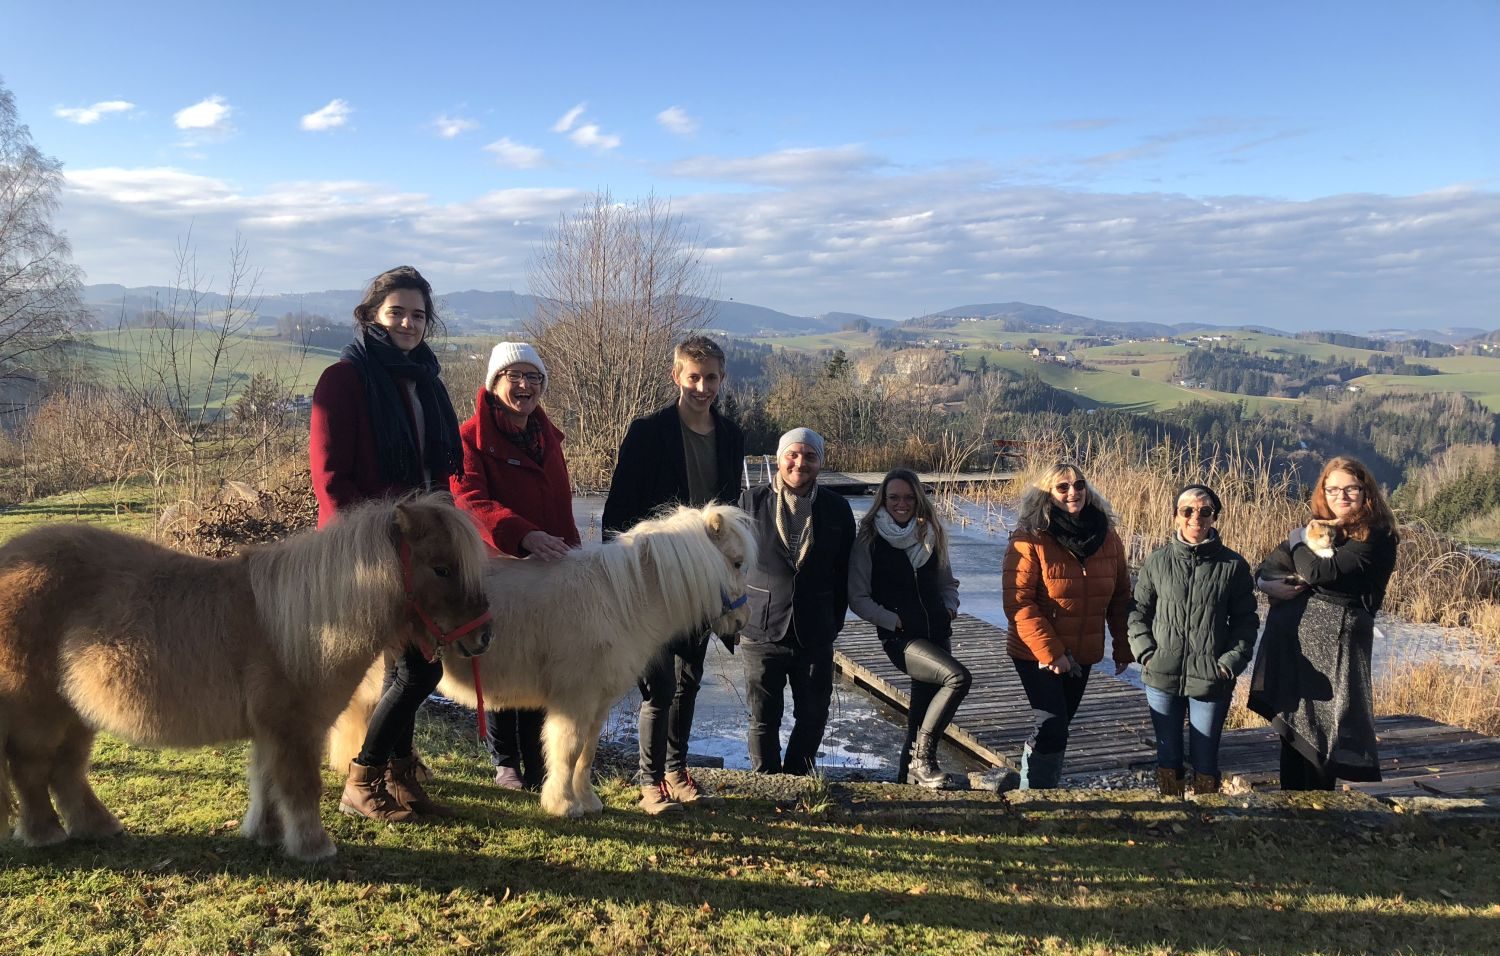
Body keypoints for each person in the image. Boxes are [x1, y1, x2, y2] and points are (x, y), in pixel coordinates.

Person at [309, 265, 463, 822]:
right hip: (369, 553)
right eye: (396, 311)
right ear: (372, 314)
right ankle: (362, 779)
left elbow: (435, 470)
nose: (408, 322)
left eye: (418, 314)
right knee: (419, 671)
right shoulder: (344, 380)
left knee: (414, 665)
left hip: (418, 549)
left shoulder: (425, 379)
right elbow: (330, 481)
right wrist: (378, 542)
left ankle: (399, 775)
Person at [602, 335, 745, 814]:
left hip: (703, 582)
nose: (702, 387)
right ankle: (649, 782)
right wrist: (621, 578)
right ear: (676, 376)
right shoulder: (647, 433)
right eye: (694, 377)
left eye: (711, 378)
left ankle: (676, 768)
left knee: (689, 678)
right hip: (652, 579)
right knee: (657, 684)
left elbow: (729, 515)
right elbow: (616, 513)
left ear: (722, 380)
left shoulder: (732, 436)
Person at [451, 341, 580, 791]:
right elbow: (470, 501)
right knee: (503, 663)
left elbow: (561, 505)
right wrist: (521, 534)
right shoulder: (468, 438)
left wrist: (573, 554)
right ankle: (506, 762)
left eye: (534, 378)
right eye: (515, 377)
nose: (525, 386)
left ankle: (539, 761)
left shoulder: (549, 436)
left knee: (542, 664)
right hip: (498, 569)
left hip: (549, 570)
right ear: (494, 382)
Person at [1249, 456, 1399, 790]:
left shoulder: (1374, 535)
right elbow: (1265, 566)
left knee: (1323, 734)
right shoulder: (1322, 527)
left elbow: (1317, 572)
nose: (1341, 496)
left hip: (1336, 647)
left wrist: (1297, 537)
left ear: (1366, 491)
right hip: (1295, 644)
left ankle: (1318, 814)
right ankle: (1292, 810)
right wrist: (1265, 584)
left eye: (1350, 489)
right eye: (1332, 489)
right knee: (1293, 730)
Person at [1002, 462, 1133, 789]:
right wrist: (1053, 653)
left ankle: (1039, 785)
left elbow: (1120, 597)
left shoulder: (1107, 537)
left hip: (1084, 650)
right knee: (1052, 723)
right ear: (1047, 494)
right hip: (1035, 651)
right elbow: (1018, 603)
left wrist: (1124, 645)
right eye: (1062, 487)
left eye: (1079, 485)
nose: (1073, 492)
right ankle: (1034, 794)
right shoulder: (1030, 538)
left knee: (1061, 725)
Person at [739, 428, 856, 776]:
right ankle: (768, 783)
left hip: (815, 632)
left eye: (810, 456)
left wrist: (832, 623)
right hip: (761, 628)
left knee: (814, 715)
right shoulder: (749, 503)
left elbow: (844, 572)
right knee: (763, 718)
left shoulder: (837, 509)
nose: (800, 462)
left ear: (820, 462)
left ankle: (796, 779)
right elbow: (729, 566)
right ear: (779, 458)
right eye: (793, 454)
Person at [1128, 484, 1258, 796]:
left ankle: (1205, 816)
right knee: (1168, 755)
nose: (1195, 517)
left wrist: (1228, 665)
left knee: (1205, 757)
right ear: (1175, 516)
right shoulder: (1157, 561)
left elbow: (1246, 622)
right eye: (1187, 510)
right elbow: (1137, 611)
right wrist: (1146, 652)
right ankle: (1172, 813)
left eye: (1204, 511)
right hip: (1162, 675)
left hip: (1211, 679)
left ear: (1214, 517)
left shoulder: (1232, 565)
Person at [848, 468, 970, 789]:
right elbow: (858, 598)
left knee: (918, 717)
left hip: (937, 632)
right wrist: (893, 620)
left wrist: (950, 607)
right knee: (957, 678)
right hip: (902, 638)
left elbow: (948, 583)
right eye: (894, 498)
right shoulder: (869, 538)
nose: (901, 503)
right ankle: (923, 760)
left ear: (917, 499)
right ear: (883, 500)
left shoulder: (931, 533)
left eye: (908, 497)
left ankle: (906, 787)